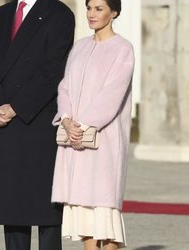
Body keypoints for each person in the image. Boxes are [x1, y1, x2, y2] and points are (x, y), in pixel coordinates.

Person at [0, 0, 75, 250]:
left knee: (47, 216)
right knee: (12, 212)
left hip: (38, 122)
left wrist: (16, 107)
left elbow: (54, 70)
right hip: (4, 125)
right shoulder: (1, 14)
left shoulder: (59, 13)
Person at [51, 0, 134, 249]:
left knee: (103, 212)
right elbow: (64, 86)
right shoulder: (79, 47)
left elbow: (112, 93)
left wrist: (85, 124)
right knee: (83, 212)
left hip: (104, 142)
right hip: (75, 140)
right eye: (89, 8)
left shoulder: (123, 49)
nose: (91, 14)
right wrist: (66, 119)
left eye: (99, 9)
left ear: (114, 12)